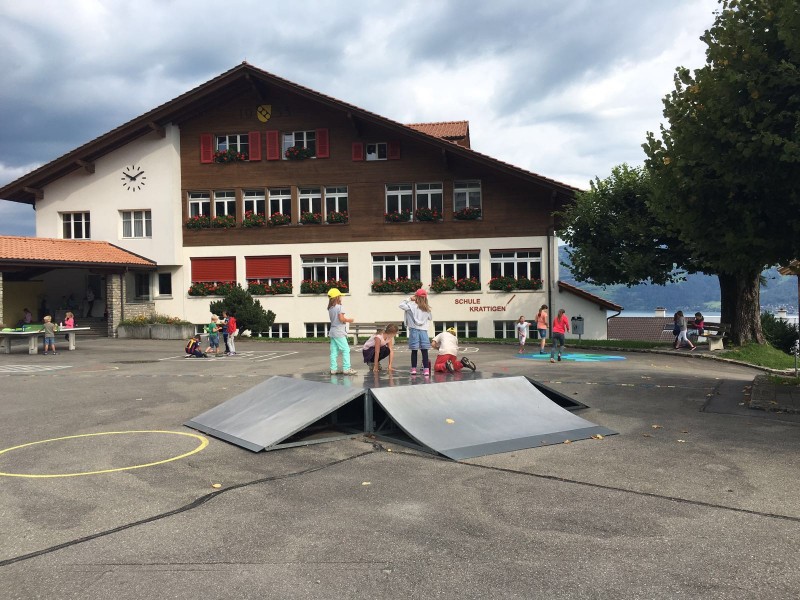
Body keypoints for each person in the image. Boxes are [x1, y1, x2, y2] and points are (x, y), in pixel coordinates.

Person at [399, 288, 432, 376]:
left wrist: (409, 299)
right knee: (424, 351)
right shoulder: (426, 308)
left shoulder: (411, 307)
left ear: (416, 296)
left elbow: (401, 305)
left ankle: (413, 369)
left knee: (414, 351)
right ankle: (426, 370)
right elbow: (430, 318)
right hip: (423, 331)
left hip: (414, 330)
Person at [328, 288, 357, 375]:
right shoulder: (340, 307)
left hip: (332, 331)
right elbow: (341, 319)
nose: (341, 297)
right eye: (340, 296)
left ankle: (333, 369)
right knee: (346, 350)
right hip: (339, 332)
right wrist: (349, 320)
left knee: (334, 351)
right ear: (337, 297)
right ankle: (346, 368)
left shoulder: (330, 308)